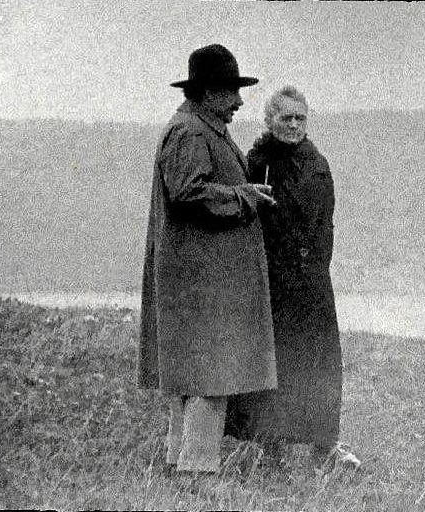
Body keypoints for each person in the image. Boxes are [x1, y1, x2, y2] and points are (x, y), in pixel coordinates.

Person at [138, 44, 278, 475]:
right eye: (231, 91)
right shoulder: (192, 132)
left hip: (199, 279)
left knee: (197, 378)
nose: (239, 101)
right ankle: (197, 472)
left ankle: (179, 465)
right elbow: (188, 192)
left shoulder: (198, 126)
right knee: (209, 377)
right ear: (207, 92)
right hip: (202, 282)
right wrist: (244, 196)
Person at [227, 86, 359, 467]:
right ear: (270, 121)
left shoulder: (318, 164)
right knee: (275, 364)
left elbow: (325, 225)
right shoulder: (256, 163)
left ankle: (323, 445)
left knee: (319, 361)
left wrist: (317, 269)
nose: (294, 125)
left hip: (312, 282)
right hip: (272, 280)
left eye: (300, 117)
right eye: (286, 118)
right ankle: (271, 449)